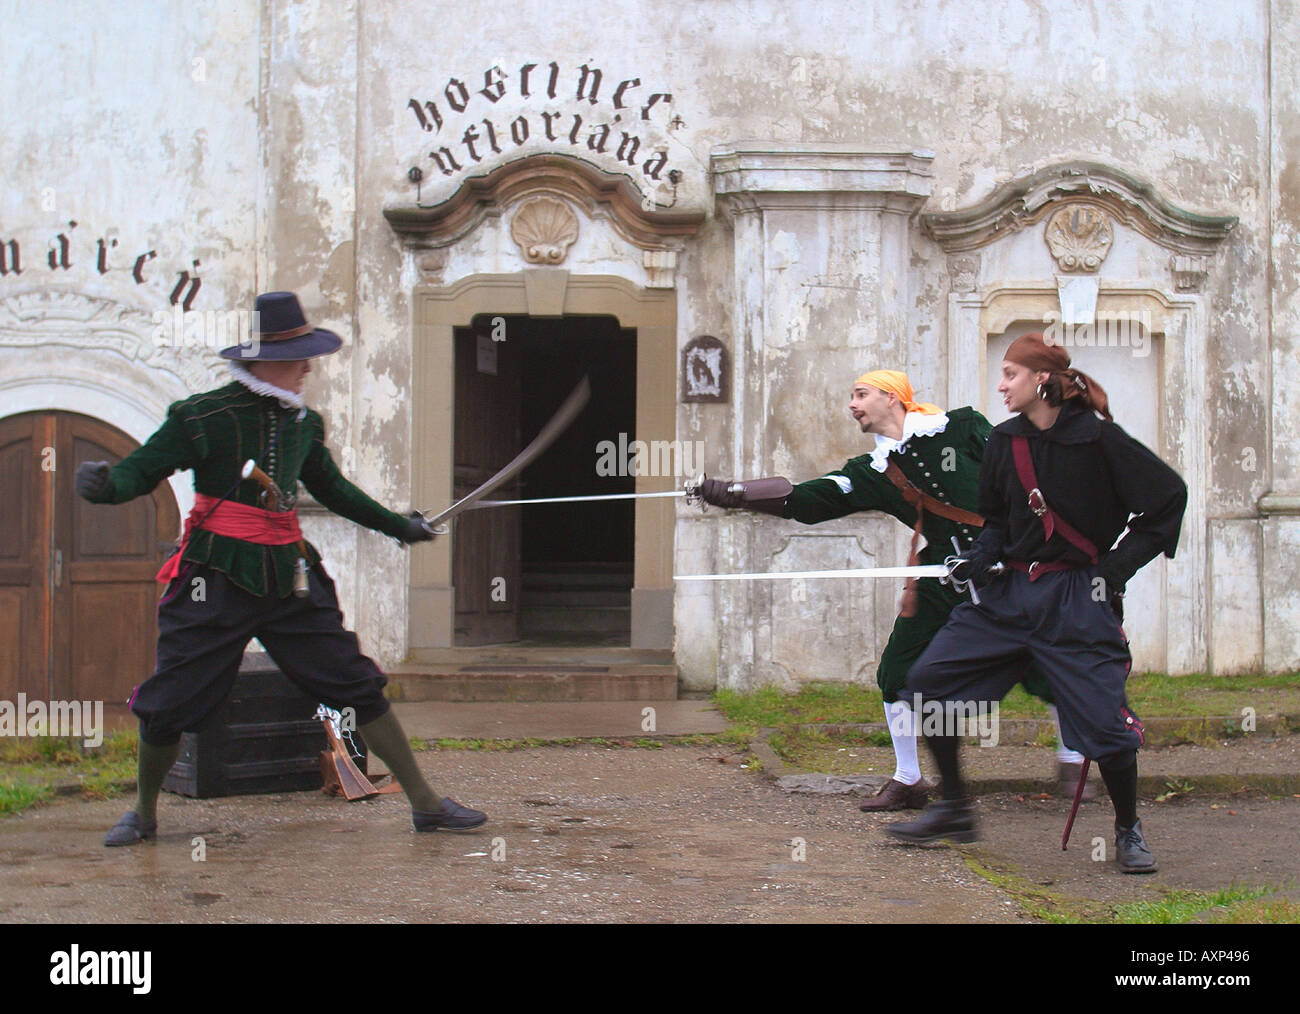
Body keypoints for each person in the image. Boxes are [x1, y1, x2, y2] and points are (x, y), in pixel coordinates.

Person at [76, 291, 487, 845]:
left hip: (289, 578)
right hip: (212, 580)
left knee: (356, 684)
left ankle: (427, 805)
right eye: (299, 355)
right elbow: (141, 470)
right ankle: (144, 814)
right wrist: (107, 487)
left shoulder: (304, 424)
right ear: (264, 359)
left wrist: (400, 525)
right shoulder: (201, 416)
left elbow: (333, 490)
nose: (309, 367)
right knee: (169, 702)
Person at [698, 370, 1074, 812]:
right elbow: (809, 500)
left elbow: (1022, 477)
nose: (852, 404)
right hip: (946, 577)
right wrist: (737, 494)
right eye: (851, 395)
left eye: (861, 394)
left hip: (1013, 569)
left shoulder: (963, 428)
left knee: (1044, 666)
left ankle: (1073, 760)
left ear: (892, 398)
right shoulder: (873, 471)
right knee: (898, 672)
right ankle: (909, 779)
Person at [886, 333, 1186, 874]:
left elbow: (1167, 499)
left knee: (1105, 724)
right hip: (1009, 598)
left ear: (1040, 380)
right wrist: (980, 557)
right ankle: (954, 809)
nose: (1001, 386)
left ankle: (1127, 830)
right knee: (930, 682)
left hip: (1075, 599)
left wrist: (1115, 568)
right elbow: (999, 521)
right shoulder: (1005, 441)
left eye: (1010, 375)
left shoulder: (1099, 441)